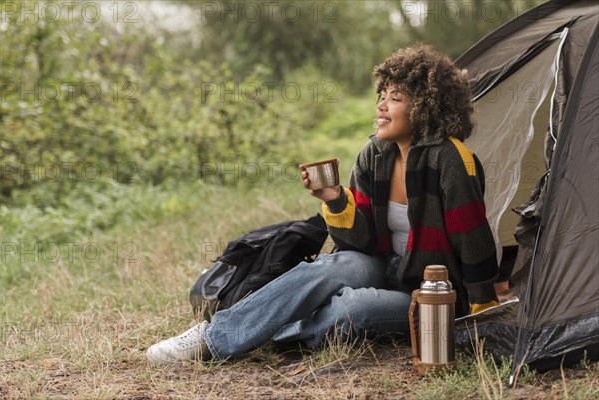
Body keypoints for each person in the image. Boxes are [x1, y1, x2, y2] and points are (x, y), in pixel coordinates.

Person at [146, 43, 500, 364]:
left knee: (352, 307)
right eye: (382, 94)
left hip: (431, 292)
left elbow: (473, 239)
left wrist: (481, 310)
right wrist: (334, 201)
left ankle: (263, 329)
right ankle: (214, 337)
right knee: (329, 269)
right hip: (383, 264)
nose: (380, 105)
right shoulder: (373, 155)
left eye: (395, 97)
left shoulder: (452, 160)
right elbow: (357, 244)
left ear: (426, 107)